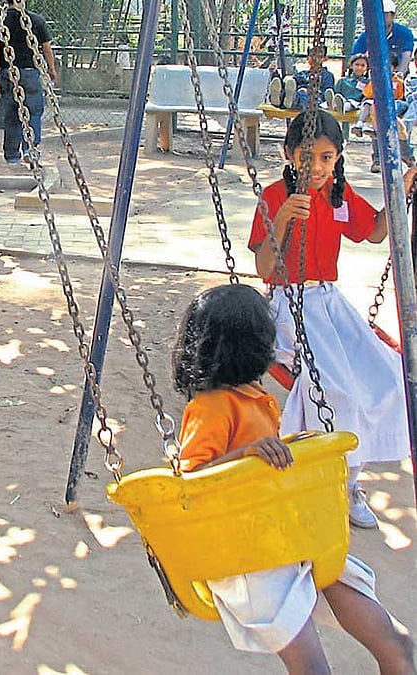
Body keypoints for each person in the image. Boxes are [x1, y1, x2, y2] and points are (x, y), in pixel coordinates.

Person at [174, 283, 415, 673]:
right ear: (249, 347)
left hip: (290, 536)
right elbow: (190, 481)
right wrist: (245, 455)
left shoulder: (254, 397)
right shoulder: (212, 407)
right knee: (312, 668)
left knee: (398, 643)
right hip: (251, 555)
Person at [248, 110, 416, 529]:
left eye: (326, 158)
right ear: (289, 155)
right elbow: (264, 267)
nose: (317, 168)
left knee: (388, 374)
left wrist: (402, 188)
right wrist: (285, 215)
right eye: (307, 157)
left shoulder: (339, 196)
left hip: (329, 302)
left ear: (337, 159)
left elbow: (374, 232)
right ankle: (336, 481)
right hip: (289, 303)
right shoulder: (273, 197)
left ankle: (352, 479)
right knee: (334, 386)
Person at [0, 0, 59, 165]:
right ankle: (30, 149)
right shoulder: (36, 20)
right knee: (33, 111)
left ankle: (12, 155)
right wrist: (52, 68)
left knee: (12, 114)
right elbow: (47, 48)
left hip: (8, 73)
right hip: (30, 73)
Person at [352, 55, 414, 172]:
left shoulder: (398, 81)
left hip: (395, 107)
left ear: (394, 68)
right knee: (377, 121)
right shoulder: (376, 80)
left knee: (387, 116)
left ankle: (405, 155)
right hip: (377, 109)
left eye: (388, 66)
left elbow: (402, 98)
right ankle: (377, 160)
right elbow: (368, 95)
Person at [352, 0, 413, 76]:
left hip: (398, 73)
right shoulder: (367, 34)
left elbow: (406, 55)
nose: (380, 17)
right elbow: (356, 56)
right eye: (378, 14)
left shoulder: (404, 33)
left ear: (392, 15)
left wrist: (400, 75)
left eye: (385, 14)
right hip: (374, 75)